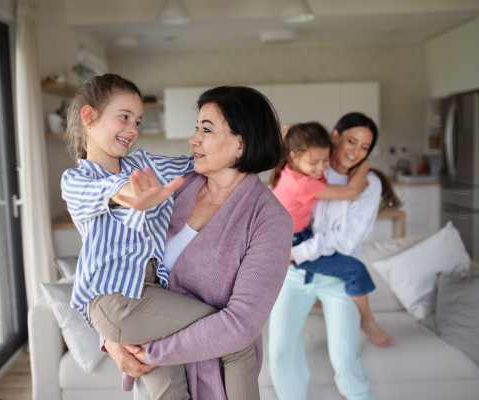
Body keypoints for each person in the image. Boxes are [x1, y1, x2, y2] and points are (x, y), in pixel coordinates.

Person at [61, 76, 285, 400]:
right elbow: (107, 190)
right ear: (89, 118)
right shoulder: (90, 181)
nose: (193, 139)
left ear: (242, 143)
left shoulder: (267, 218)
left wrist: (146, 352)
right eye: (124, 117)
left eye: (205, 129)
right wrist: (111, 341)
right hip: (127, 306)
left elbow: (238, 327)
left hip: (176, 353)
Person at [268, 112, 401, 400]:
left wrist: (295, 253)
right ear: (335, 138)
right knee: (279, 354)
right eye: (351, 141)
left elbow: (345, 239)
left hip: (334, 280)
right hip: (293, 276)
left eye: (364, 148)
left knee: (344, 360)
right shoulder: (314, 170)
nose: (355, 151)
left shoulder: (368, 184)